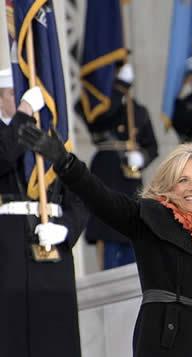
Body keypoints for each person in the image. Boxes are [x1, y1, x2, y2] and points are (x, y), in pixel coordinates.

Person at [18, 115, 192, 356]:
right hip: (166, 344)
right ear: (169, 187)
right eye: (183, 180)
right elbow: (101, 198)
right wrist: (66, 163)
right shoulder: (149, 219)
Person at [0, 80, 88, 357]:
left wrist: (66, 229)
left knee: (55, 335)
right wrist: (24, 113)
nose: (24, 97)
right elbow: (3, 157)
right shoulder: (10, 133)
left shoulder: (51, 137)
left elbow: (80, 192)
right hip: (9, 247)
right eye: (15, 92)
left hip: (51, 247)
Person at [76, 62, 159, 270]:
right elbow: (100, 119)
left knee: (133, 233)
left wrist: (142, 157)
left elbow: (152, 146)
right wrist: (118, 87)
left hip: (130, 182)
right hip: (108, 174)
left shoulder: (138, 110)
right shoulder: (93, 105)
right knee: (109, 238)